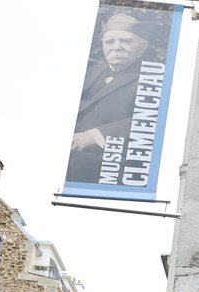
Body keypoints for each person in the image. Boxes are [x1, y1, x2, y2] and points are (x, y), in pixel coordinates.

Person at [66, 12, 153, 184]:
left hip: (107, 170)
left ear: (142, 47)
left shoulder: (151, 78)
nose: (116, 47)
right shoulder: (91, 72)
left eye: (126, 41)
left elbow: (149, 120)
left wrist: (97, 135)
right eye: (109, 41)